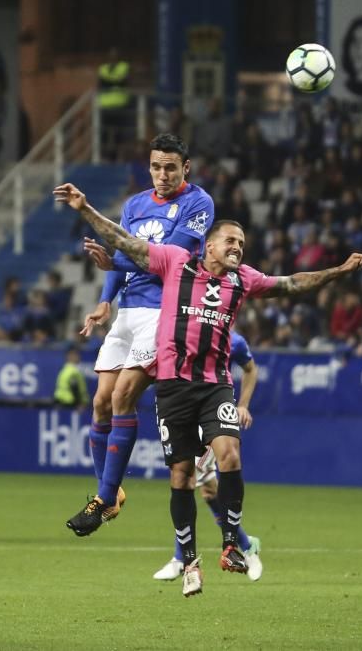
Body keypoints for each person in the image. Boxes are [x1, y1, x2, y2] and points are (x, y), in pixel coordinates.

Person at [53, 181, 362, 597]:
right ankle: (188, 559)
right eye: (230, 241)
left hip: (216, 384)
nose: (238, 247)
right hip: (174, 387)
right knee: (182, 475)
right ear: (209, 246)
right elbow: (126, 241)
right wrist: (86, 208)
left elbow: (292, 283)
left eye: (242, 242)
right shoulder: (176, 262)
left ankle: (233, 543)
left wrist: (338, 272)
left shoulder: (244, 280)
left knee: (229, 454)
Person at [65, 133, 214, 535]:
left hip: (165, 312)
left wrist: (115, 262)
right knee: (99, 403)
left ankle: (102, 500)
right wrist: (105, 299)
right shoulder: (134, 205)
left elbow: (166, 260)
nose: (162, 174)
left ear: (186, 167)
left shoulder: (198, 204)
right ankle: (109, 494)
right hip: (129, 311)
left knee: (122, 396)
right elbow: (122, 258)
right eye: (155, 166)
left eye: (170, 167)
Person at [153, 329, 263, 582]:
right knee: (206, 490)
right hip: (185, 412)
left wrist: (243, 404)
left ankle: (182, 558)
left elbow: (250, 369)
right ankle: (246, 545)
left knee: (193, 482)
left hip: (211, 419)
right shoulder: (180, 330)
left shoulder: (233, 339)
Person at [53, 346, 90, 411]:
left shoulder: (65, 370)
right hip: (71, 405)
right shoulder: (73, 371)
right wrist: (79, 403)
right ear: (70, 357)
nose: (78, 357)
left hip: (63, 403)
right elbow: (74, 386)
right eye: (76, 355)